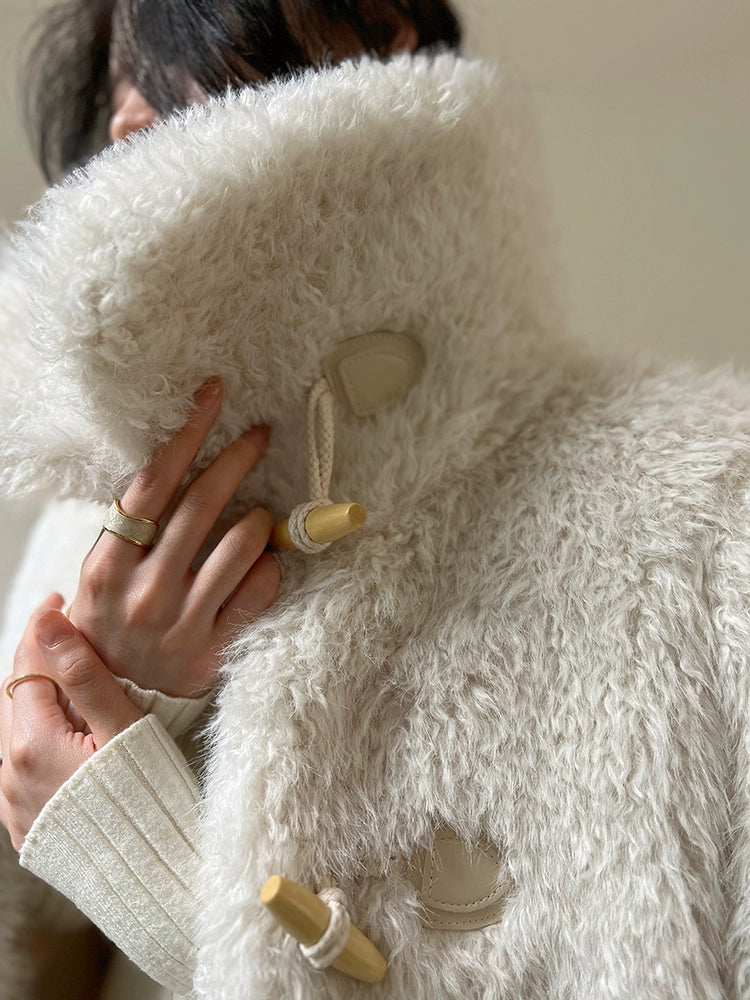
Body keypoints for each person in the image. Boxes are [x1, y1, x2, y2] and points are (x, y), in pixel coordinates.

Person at [3, 1, 750, 999]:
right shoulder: (81, 550)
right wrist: (122, 702)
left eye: (181, 51)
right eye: (117, 102)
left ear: (385, 30)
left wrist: (144, 863)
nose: (132, 127)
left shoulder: (708, 508)